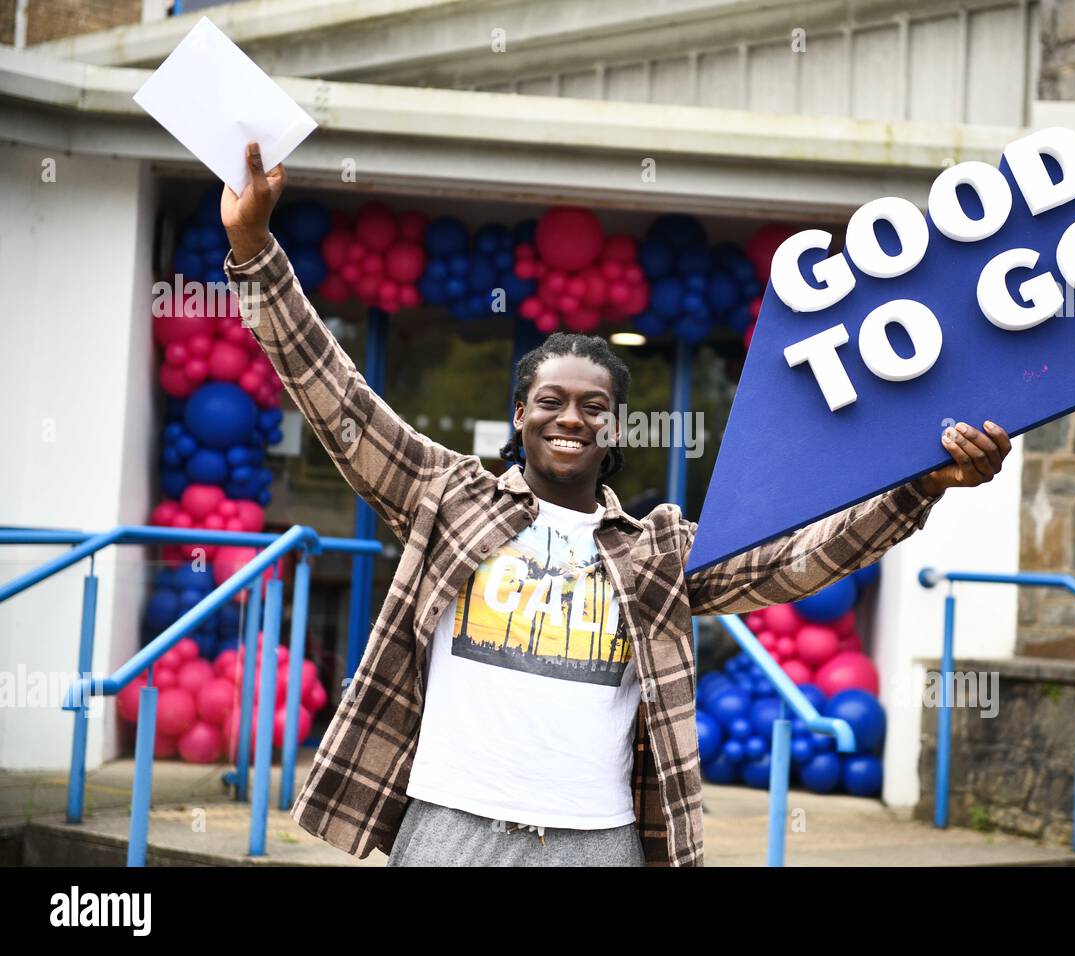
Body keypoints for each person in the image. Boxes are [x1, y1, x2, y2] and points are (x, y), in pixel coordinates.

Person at [221, 142, 1013, 867]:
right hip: (450, 826)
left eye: (593, 406)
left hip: (598, 841)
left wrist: (919, 485)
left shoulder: (658, 549)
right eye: (551, 401)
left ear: (616, 426)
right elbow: (334, 397)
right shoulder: (448, 494)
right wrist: (256, 250)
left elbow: (797, 562)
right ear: (520, 415)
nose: (571, 417)